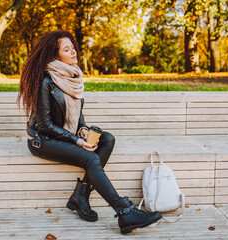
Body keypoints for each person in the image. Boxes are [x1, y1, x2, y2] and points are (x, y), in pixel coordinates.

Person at [17, 30, 162, 234]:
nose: (73, 52)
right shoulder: (46, 80)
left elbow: (76, 114)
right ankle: (124, 211)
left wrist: (83, 130)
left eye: (72, 47)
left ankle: (80, 196)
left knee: (108, 139)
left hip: (60, 134)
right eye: (66, 49)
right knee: (90, 159)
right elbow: (45, 125)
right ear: (55, 56)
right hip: (42, 140)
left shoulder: (73, 76)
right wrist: (77, 141)